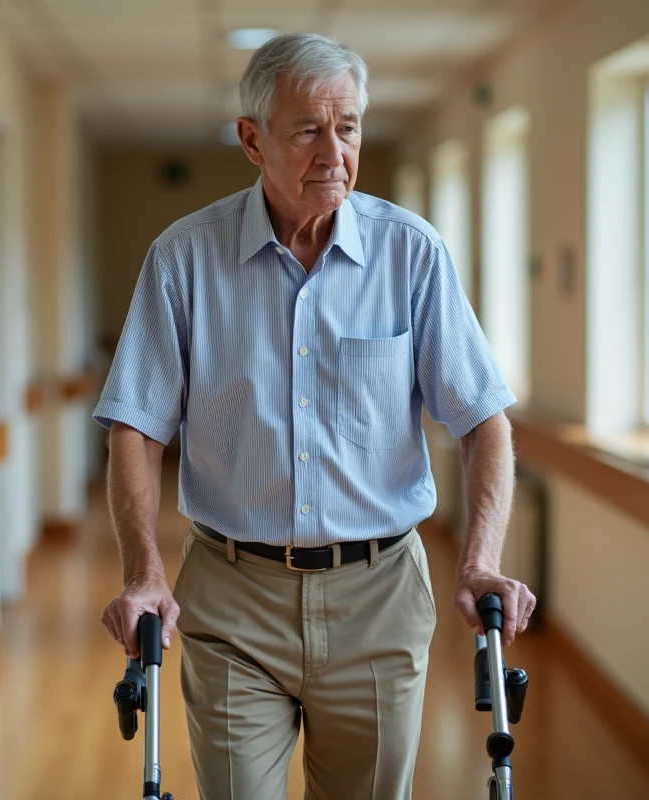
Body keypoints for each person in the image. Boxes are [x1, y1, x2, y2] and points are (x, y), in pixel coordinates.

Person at [93, 31, 535, 800]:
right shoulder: (183, 260)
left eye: (350, 126)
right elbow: (136, 425)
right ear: (252, 140)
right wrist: (144, 574)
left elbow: (483, 419)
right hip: (233, 598)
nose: (335, 151)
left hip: (380, 595)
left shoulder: (412, 255)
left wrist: (478, 560)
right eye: (308, 129)